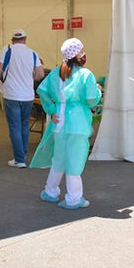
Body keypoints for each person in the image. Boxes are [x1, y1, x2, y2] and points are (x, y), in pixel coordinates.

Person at [31, 38, 100, 209]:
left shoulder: (56, 72)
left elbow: (42, 91)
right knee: (74, 162)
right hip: (78, 123)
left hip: (59, 123)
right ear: (77, 54)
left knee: (59, 160)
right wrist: (98, 91)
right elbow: (91, 100)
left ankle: (50, 191)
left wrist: (51, 109)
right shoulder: (85, 74)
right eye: (81, 50)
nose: (83, 53)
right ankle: (74, 198)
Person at [0, 29, 44, 168]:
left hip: (12, 94)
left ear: (12, 40)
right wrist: (29, 78)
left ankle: (19, 159)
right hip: (28, 95)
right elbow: (40, 74)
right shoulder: (33, 53)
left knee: (15, 126)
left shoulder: (7, 50)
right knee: (24, 125)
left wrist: (4, 79)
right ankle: (23, 154)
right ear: (25, 40)